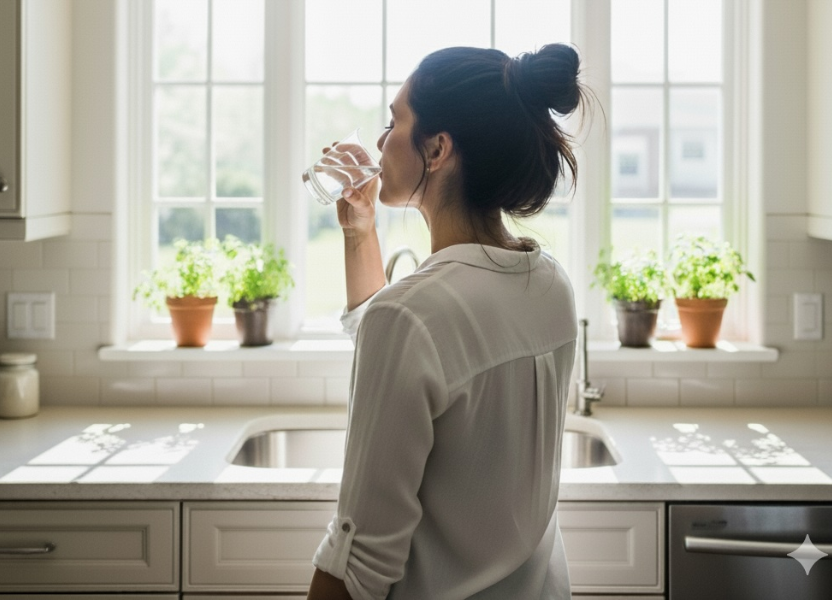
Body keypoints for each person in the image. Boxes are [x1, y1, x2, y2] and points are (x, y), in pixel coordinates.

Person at [307, 43, 588, 600]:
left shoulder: (410, 318)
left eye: (394, 123)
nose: (381, 143)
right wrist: (361, 231)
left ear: (437, 149)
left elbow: (357, 566)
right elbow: (410, 349)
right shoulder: (551, 285)